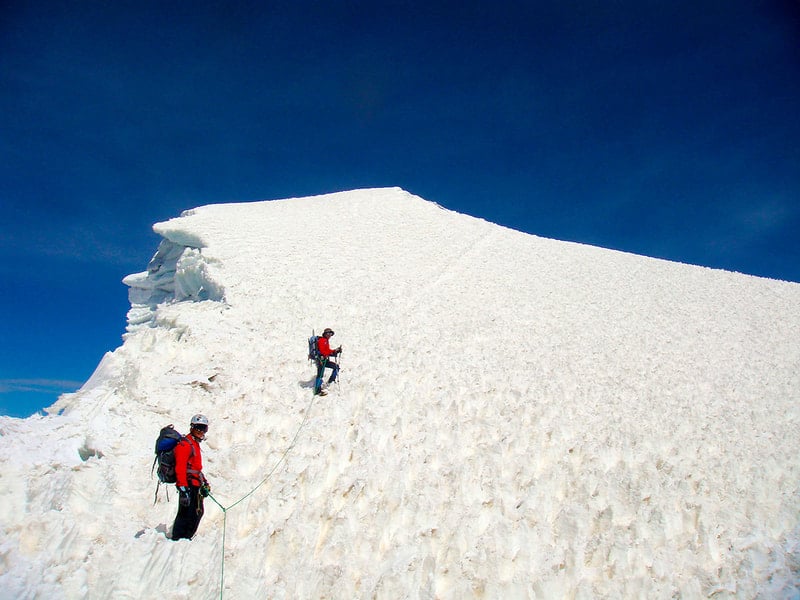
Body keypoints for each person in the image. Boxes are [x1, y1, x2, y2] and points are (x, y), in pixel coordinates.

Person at [171, 414, 211, 540]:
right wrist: (182, 488)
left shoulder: (194, 444)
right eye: (198, 427)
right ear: (192, 427)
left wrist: (204, 482)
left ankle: (185, 538)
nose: (201, 431)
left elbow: (196, 467)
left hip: (195, 484)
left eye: (203, 428)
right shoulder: (185, 445)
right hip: (188, 485)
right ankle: (179, 538)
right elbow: (180, 467)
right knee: (186, 514)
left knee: (196, 513)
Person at [314, 328, 342, 396]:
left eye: (330, 334)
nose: (329, 335)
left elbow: (327, 350)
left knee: (336, 367)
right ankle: (317, 390)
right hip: (321, 360)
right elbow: (323, 351)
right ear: (325, 334)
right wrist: (333, 352)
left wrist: (334, 351)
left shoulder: (325, 341)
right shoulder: (322, 340)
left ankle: (331, 381)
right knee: (320, 374)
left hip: (324, 360)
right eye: (328, 333)